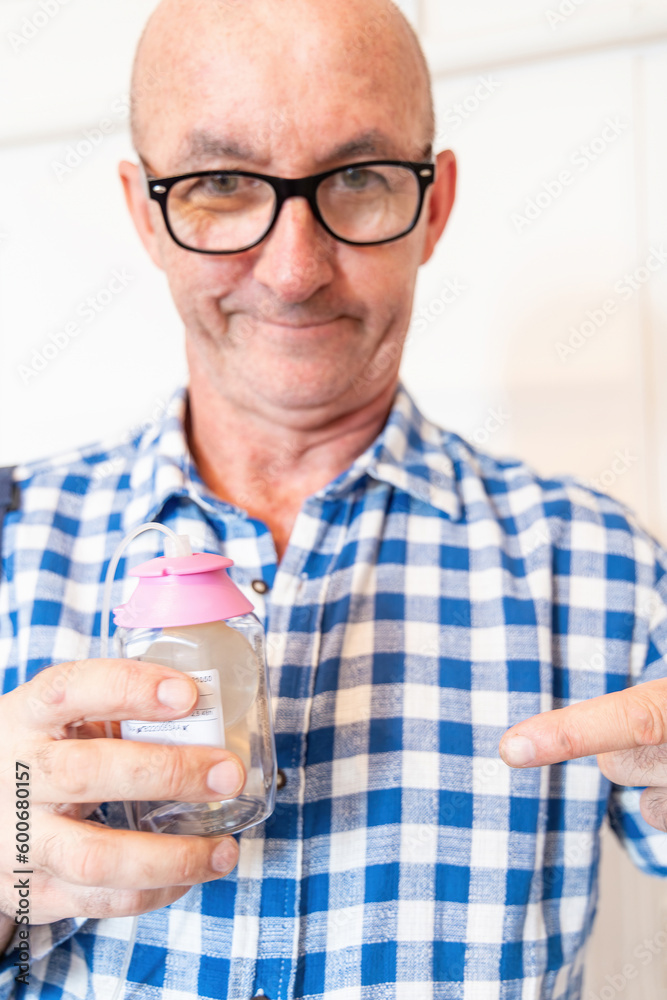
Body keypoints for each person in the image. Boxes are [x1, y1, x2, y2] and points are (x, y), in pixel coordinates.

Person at [1, 0, 666, 997]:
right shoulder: (13, 541)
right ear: (146, 212)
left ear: (433, 207)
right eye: (223, 183)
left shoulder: (600, 564)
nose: (295, 269)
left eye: (357, 179)